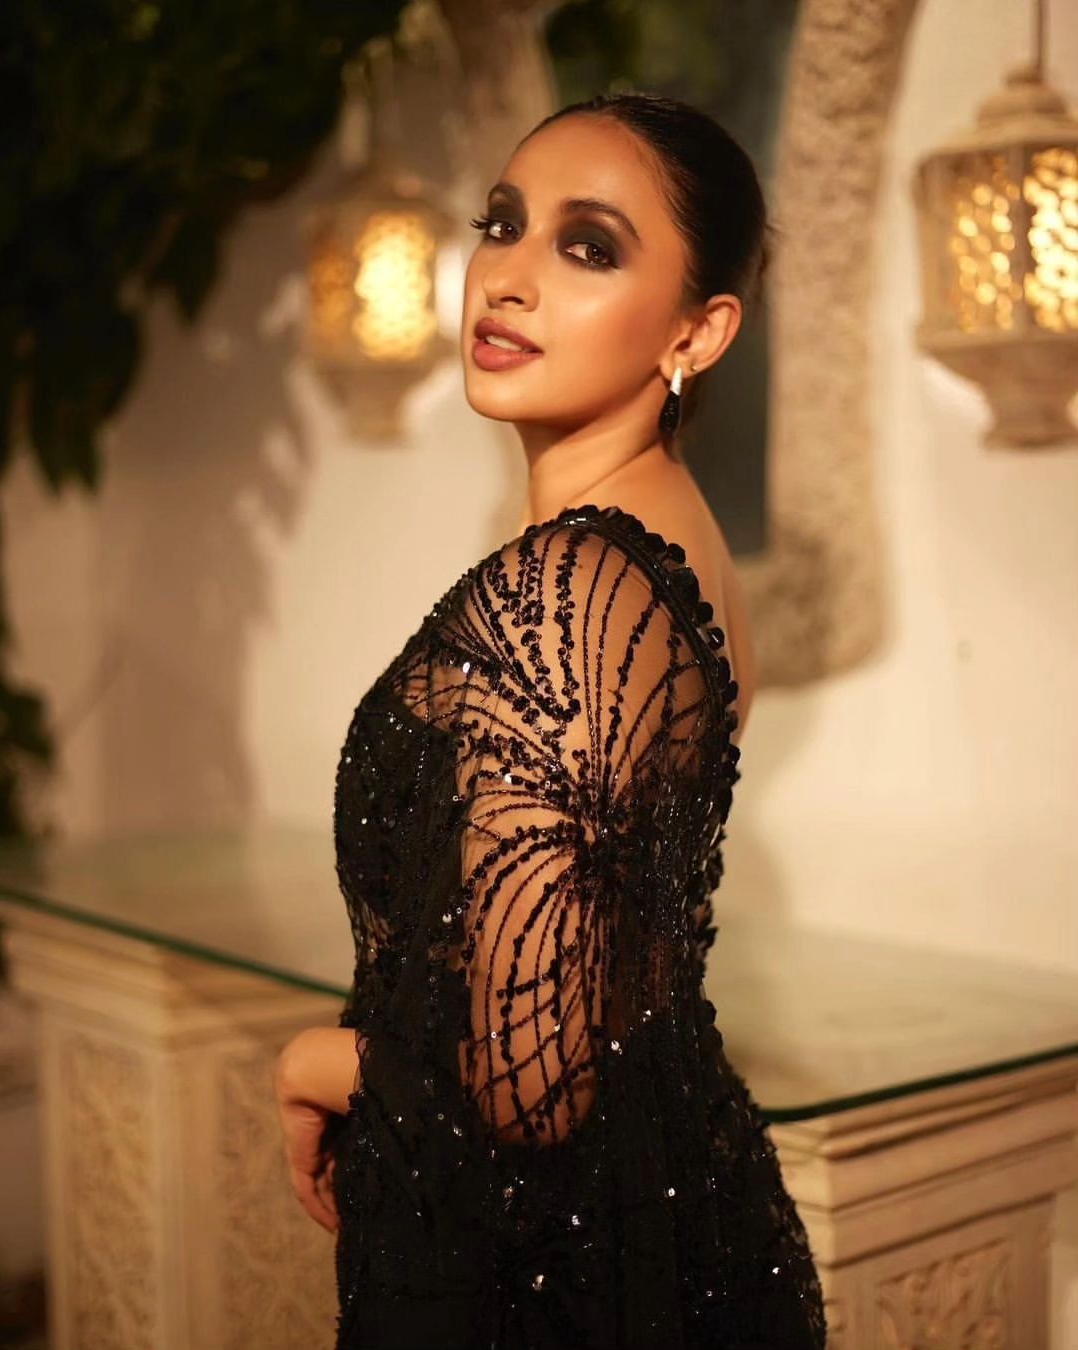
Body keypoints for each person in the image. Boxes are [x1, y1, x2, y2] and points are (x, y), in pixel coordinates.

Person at [274, 91, 828, 1350]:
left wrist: (319, 1061)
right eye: (502, 224)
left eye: (588, 247)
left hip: (560, 1291)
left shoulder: (572, 590)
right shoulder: (669, 543)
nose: (509, 277)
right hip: (660, 1228)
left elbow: (532, 1080)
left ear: (699, 330)